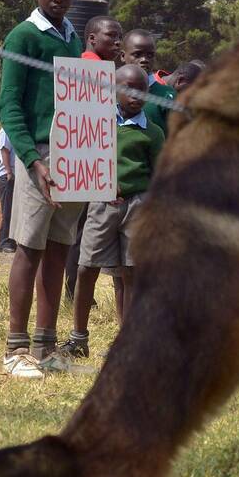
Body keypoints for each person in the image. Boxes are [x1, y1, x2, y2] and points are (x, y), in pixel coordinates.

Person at [0, 0, 85, 378]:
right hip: (39, 157)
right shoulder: (23, 36)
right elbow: (8, 105)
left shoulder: (72, 39)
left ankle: (46, 347)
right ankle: (15, 351)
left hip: (75, 157)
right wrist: (31, 160)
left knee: (59, 250)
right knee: (29, 250)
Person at [61, 65, 164, 358]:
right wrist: (100, 184)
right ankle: (78, 338)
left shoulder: (152, 132)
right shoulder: (98, 124)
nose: (136, 96)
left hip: (138, 207)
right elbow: (81, 157)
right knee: (86, 268)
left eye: (142, 90)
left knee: (131, 273)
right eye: (129, 89)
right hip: (101, 204)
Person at [65, 15, 125, 302]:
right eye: (111, 36)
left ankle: (75, 290)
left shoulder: (98, 68)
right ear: (91, 38)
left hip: (87, 162)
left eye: (119, 36)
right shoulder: (93, 69)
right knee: (83, 233)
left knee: (78, 232)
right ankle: (77, 292)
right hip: (90, 163)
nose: (117, 42)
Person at [0, 128, 17, 253]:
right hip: (7, 175)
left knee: (15, 211)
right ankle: (4, 242)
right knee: (7, 210)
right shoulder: (6, 130)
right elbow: (5, 150)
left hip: (16, 174)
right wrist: (9, 172)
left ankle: (12, 240)